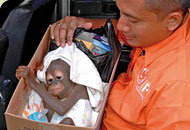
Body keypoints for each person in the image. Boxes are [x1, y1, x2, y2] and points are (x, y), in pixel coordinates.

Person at [50, 0, 190, 129]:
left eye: (132, 20)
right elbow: (121, 29)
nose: (121, 25)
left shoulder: (177, 90)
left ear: (172, 20)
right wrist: (83, 24)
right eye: (120, 12)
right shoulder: (162, 30)